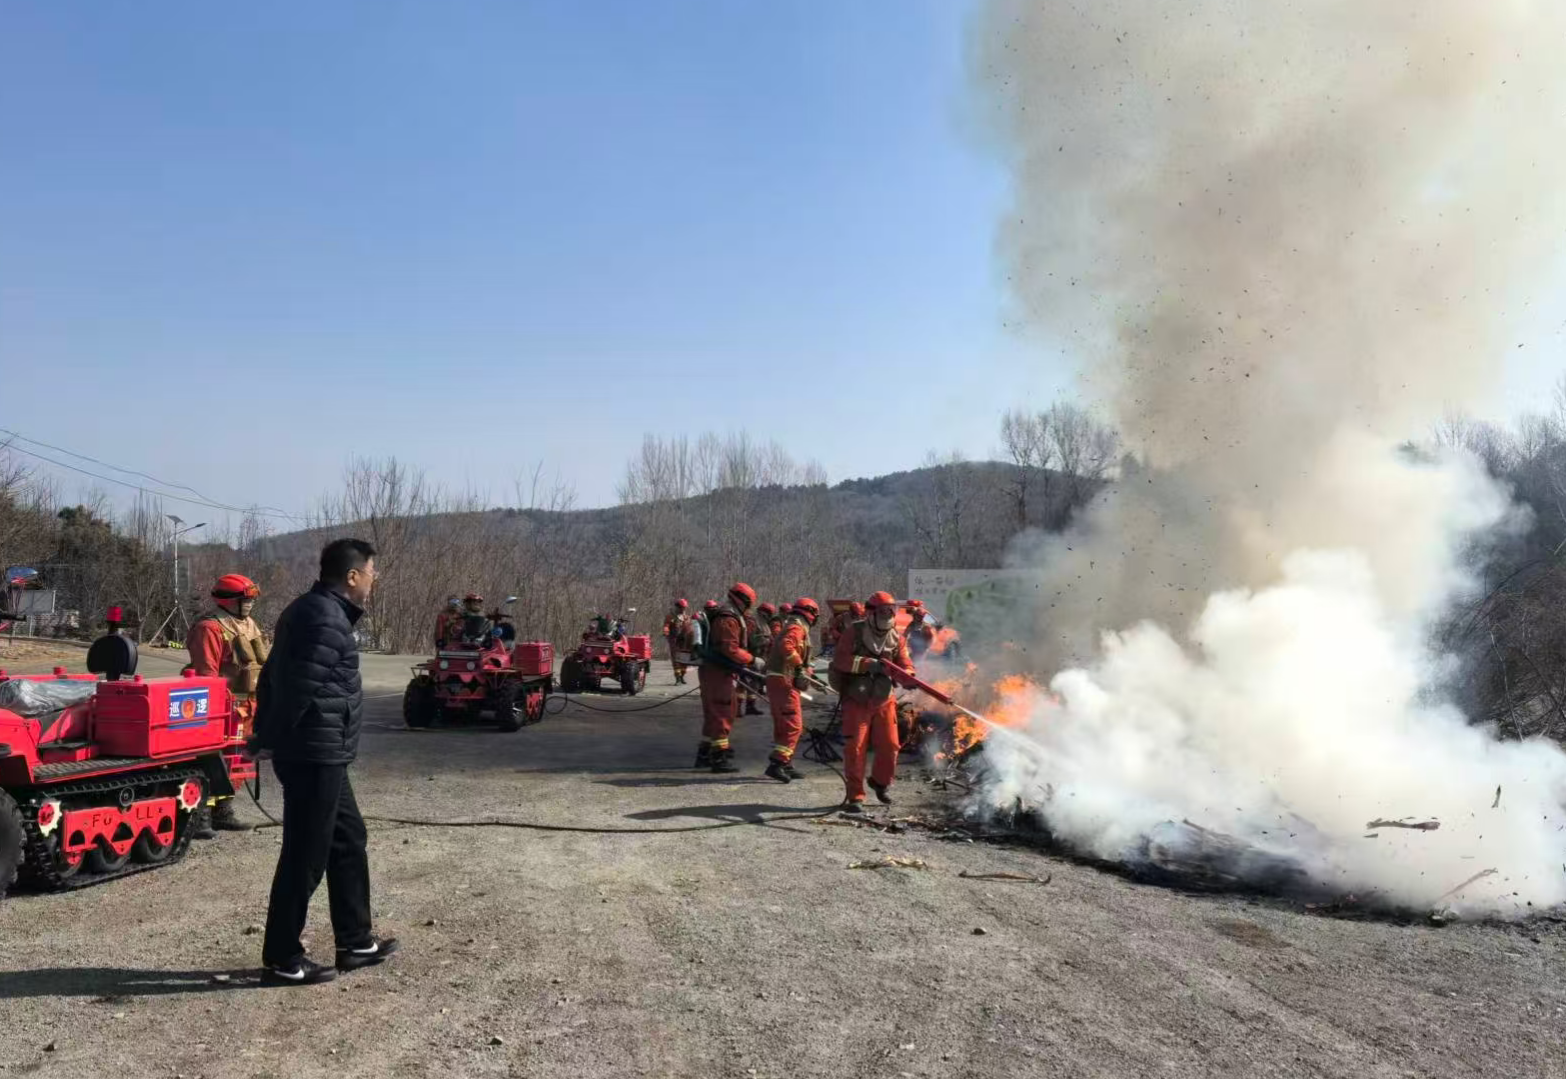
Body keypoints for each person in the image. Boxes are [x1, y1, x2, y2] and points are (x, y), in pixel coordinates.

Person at [253, 539, 397, 986]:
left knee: (347, 839)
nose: (374, 580)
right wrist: (267, 740)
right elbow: (294, 689)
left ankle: (355, 941)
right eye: (371, 572)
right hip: (312, 754)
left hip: (325, 751)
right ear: (352, 576)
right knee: (305, 854)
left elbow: (273, 677)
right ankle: (281, 958)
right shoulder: (323, 618)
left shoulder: (321, 612)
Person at [187, 573, 270, 836]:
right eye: (243, 600)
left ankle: (223, 811)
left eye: (250, 600)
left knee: (238, 762)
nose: (248, 604)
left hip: (247, 709)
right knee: (212, 760)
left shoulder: (250, 626)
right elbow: (206, 674)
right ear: (226, 600)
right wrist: (218, 708)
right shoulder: (210, 628)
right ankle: (200, 816)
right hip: (221, 709)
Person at [829, 591, 912, 814]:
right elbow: (841, 660)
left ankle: (880, 782)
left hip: (884, 699)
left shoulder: (898, 637)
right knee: (855, 748)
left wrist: (909, 675)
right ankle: (855, 796)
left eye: (891, 611)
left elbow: (904, 663)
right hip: (856, 698)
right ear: (871, 612)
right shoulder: (853, 632)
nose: (888, 615)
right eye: (883, 611)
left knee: (890, 745)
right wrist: (868, 664)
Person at [695, 583, 761, 773]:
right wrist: (752, 659)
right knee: (723, 712)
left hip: (716, 671)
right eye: (749, 603)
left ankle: (705, 754)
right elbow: (729, 648)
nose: (749, 608)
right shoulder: (728, 619)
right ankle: (719, 758)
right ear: (742, 600)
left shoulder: (729, 615)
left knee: (714, 714)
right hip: (717, 672)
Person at [763, 597, 818, 783]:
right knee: (794, 725)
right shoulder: (796, 627)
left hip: (780, 680)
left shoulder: (793, 624)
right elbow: (787, 646)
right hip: (783, 681)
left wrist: (805, 670)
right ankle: (777, 763)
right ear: (810, 614)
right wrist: (799, 667)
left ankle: (786, 763)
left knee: (783, 724)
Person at [662, 599, 692, 684]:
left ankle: (682, 676)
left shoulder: (686, 617)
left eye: (684, 608)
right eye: (682, 608)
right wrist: (666, 632)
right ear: (677, 607)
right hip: (674, 639)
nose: (683, 609)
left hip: (684, 640)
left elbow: (689, 627)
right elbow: (666, 626)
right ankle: (678, 678)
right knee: (676, 659)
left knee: (685, 658)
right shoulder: (670, 616)